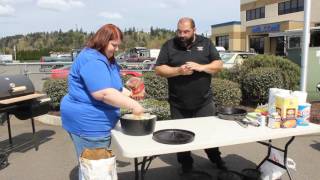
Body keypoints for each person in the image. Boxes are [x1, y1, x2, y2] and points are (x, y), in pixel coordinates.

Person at [60, 24, 145, 179]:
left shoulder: (106, 58)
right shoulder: (92, 60)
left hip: (89, 119)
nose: (116, 49)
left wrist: (132, 92)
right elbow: (104, 93)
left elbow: (113, 87)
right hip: (89, 123)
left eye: (118, 45)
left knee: (89, 165)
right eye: (114, 45)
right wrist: (134, 105)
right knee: (96, 169)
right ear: (102, 41)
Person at [155, 17, 225, 173]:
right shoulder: (169, 45)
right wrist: (178, 71)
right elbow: (159, 69)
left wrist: (201, 67)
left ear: (194, 30)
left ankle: (216, 158)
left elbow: (218, 65)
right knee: (180, 137)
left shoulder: (206, 43)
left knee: (209, 135)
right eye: (179, 31)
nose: (182, 34)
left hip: (204, 102)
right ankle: (186, 164)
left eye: (186, 31)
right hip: (178, 103)